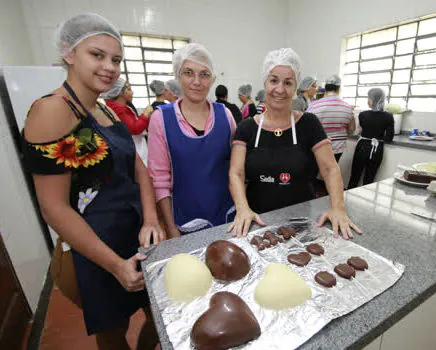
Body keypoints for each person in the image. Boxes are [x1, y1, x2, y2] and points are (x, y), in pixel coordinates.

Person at [21, 13, 162, 349]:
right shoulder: (52, 111)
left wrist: (152, 219)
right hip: (93, 250)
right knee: (113, 335)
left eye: (115, 59)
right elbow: (54, 208)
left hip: (133, 235)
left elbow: (137, 168)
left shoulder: (107, 110)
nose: (109, 67)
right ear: (69, 53)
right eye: (97, 55)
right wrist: (115, 265)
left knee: (160, 316)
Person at [228, 48, 362, 240]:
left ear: (296, 87)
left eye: (288, 83)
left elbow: (330, 169)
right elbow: (236, 172)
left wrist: (338, 208)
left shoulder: (309, 124)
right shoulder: (246, 128)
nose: (280, 89)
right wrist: (242, 209)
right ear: (265, 82)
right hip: (257, 220)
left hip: (301, 221)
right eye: (274, 80)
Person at [148, 43, 237, 238]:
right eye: (188, 72)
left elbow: (237, 168)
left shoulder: (225, 115)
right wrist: (171, 228)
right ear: (178, 76)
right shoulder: (162, 119)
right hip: (185, 222)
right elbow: (160, 179)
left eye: (204, 74)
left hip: (228, 217)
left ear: (212, 79)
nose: (197, 81)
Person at [348, 88, 394, 188]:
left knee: (355, 176)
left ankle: (346, 199)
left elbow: (357, 131)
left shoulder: (363, 115)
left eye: (368, 98)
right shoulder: (389, 116)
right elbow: (389, 138)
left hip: (362, 147)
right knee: (369, 179)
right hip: (377, 149)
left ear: (371, 101)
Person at [306, 74, 355, 162]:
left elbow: (306, 128)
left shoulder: (313, 106)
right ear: (339, 89)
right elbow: (351, 130)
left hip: (318, 147)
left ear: (325, 88)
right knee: (331, 172)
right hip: (338, 149)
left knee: (314, 173)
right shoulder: (348, 108)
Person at [103, 78, 151, 166]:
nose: (132, 93)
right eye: (129, 89)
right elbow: (135, 129)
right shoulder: (119, 109)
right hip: (134, 146)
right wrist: (146, 114)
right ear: (120, 92)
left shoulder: (116, 106)